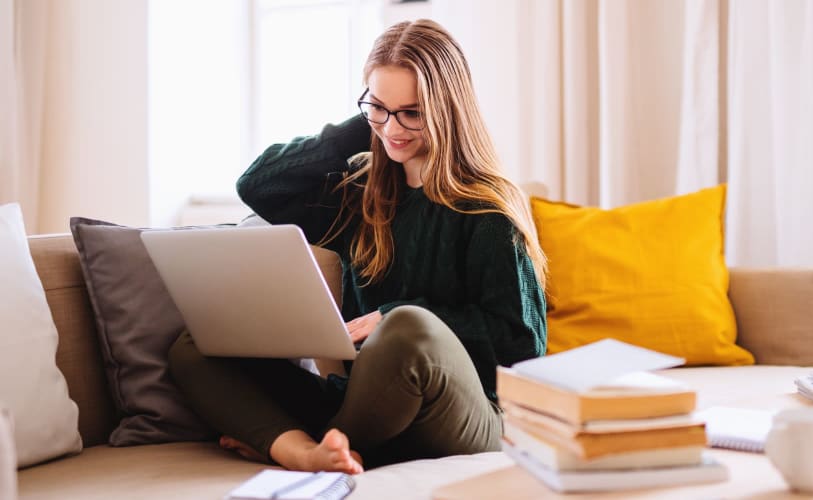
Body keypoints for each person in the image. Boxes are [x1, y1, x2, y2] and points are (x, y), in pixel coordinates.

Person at [167, 19, 547, 474]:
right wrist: (365, 124)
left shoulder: (487, 209)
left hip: (467, 413)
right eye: (379, 108)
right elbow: (259, 185)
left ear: (447, 109)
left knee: (407, 328)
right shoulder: (359, 194)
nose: (394, 129)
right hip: (366, 403)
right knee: (196, 346)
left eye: (412, 112)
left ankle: (317, 445)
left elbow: (523, 345)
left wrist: (395, 316)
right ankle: (310, 451)